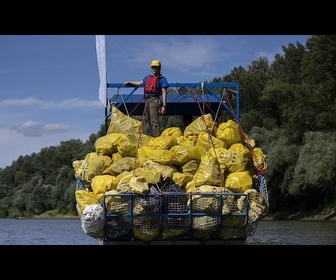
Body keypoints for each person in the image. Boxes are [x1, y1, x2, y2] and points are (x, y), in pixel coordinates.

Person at [124, 59, 169, 137]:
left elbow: (164, 92)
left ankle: (156, 139)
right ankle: (145, 138)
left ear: (159, 68)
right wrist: (129, 82)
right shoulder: (148, 77)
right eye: (152, 67)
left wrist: (164, 106)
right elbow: (139, 83)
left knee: (154, 121)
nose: (154, 69)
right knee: (145, 120)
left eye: (156, 67)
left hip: (154, 100)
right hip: (147, 100)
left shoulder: (162, 79)